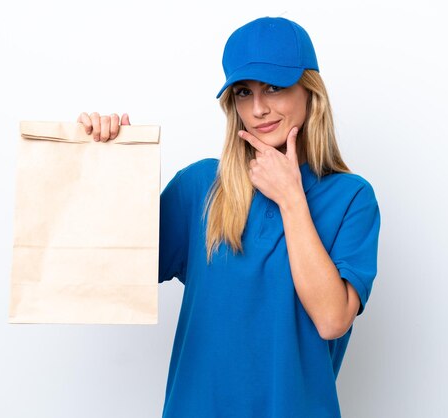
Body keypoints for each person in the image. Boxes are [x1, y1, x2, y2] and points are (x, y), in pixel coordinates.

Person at [78, 16, 380, 418]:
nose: (258, 108)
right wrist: (109, 165)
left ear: (310, 93)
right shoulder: (201, 186)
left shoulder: (351, 197)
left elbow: (331, 320)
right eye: (243, 92)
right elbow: (110, 273)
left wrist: (291, 198)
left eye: (274, 87)